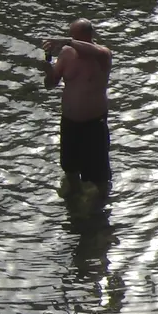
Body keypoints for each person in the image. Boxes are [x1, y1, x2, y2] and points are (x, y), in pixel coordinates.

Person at [43, 19, 114, 193]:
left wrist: (66, 42)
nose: (71, 40)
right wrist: (48, 68)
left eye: (75, 37)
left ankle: (98, 202)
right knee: (69, 169)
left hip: (93, 123)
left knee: (99, 175)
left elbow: (91, 50)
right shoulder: (67, 54)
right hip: (70, 122)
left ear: (88, 36)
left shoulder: (102, 54)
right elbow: (50, 84)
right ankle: (72, 200)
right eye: (71, 36)